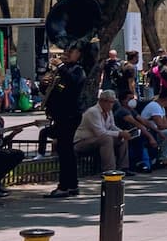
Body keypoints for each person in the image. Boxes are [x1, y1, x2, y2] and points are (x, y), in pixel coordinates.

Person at [44, 44, 90, 198]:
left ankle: (65, 185)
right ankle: (70, 184)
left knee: (66, 151)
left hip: (69, 115)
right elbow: (57, 89)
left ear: (80, 54)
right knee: (65, 151)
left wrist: (61, 65)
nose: (67, 53)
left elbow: (73, 83)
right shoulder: (64, 70)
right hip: (60, 115)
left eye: (72, 51)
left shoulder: (78, 70)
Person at [73, 90, 130, 172]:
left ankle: (123, 168)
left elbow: (112, 126)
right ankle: (109, 170)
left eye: (113, 102)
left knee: (123, 139)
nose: (111, 105)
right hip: (82, 142)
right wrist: (119, 133)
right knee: (107, 139)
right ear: (102, 101)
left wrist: (123, 133)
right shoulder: (93, 112)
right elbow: (100, 132)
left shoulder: (109, 112)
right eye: (109, 102)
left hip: (97, 140)